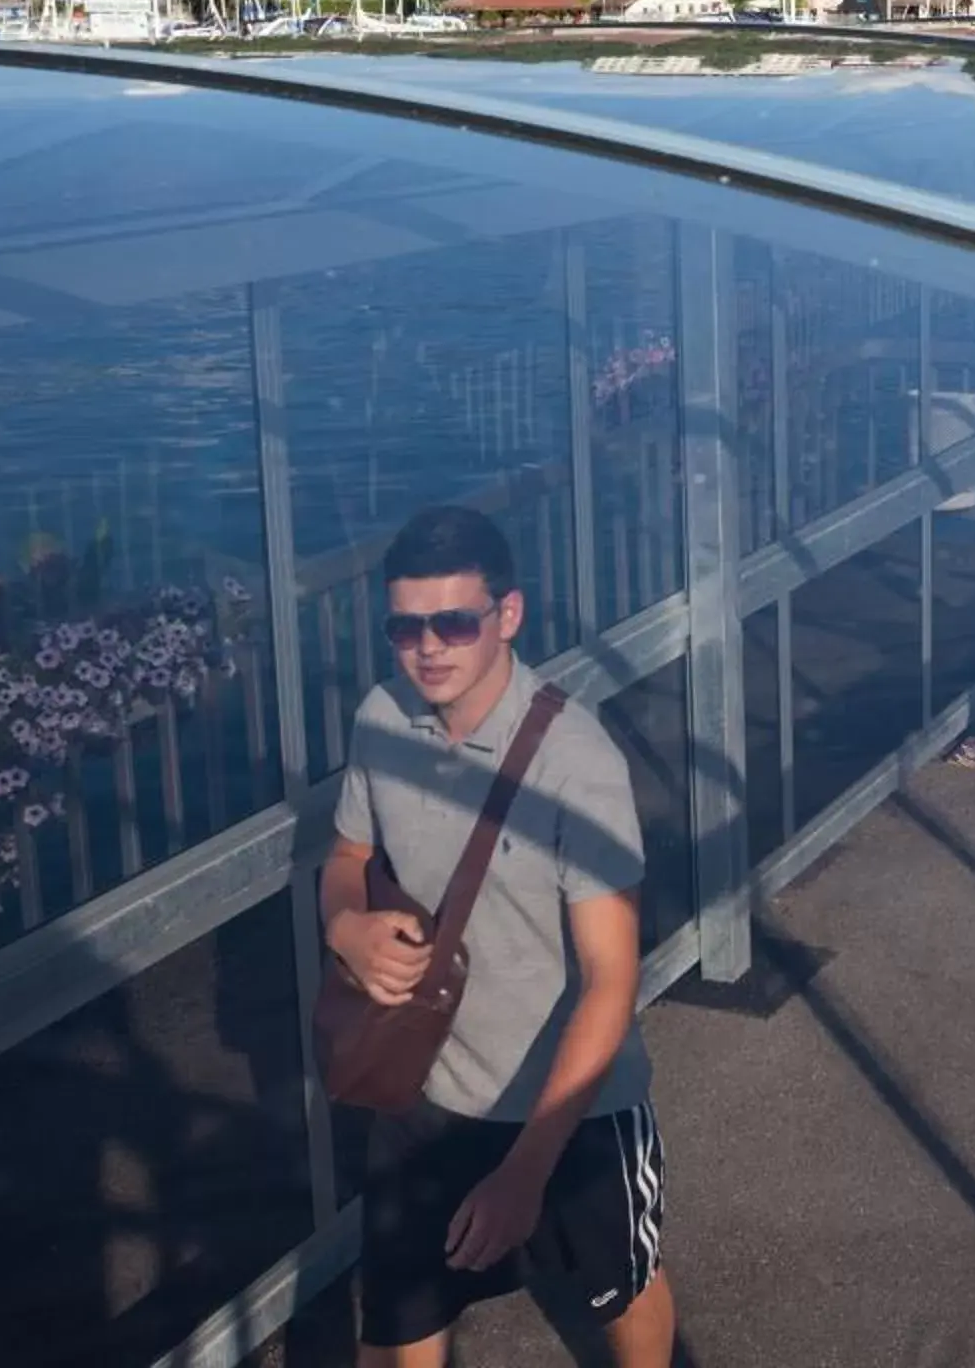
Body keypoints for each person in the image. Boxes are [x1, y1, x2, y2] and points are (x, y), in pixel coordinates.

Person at [324, 505, 674, 1367]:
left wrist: (524, 1174)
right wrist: (345, 926)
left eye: (454, 622)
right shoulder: (380, 715)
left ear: (507, 616)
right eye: (404, 628)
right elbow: (346, 854)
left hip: (574, 1106)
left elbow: (609, 980)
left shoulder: (576, 764)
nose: (428, 648)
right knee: (398, 1326)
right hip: (427, 1093)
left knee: (620, 1289)